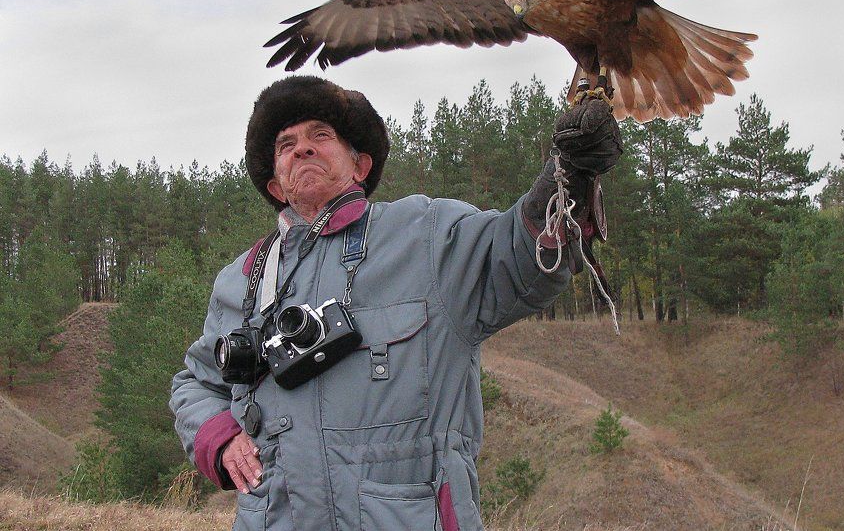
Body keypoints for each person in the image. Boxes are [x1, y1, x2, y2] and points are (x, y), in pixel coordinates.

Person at [170, 75, 621, 531]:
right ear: (275, 185)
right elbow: (196, 384)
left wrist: (570, 177)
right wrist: (221, 440)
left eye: (320, 136)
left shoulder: (426, 235)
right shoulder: (241, 281)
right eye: (286, 144)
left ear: (360, 166)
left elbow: (518, 258)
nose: (301, 148)